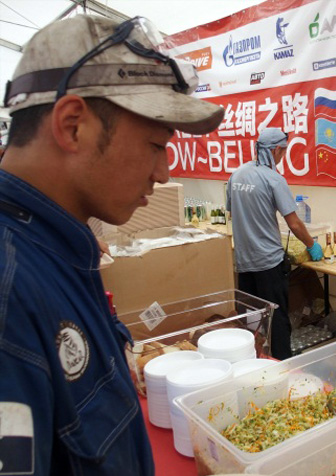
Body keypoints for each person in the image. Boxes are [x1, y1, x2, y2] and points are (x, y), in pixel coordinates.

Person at [0, 15, 224, 475]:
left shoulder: (59, 251)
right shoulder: (10, 295)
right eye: (155, 145)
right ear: (73, 126)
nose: (163, 173)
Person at [227, 128, 323, 359]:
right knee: (277, 322)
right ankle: (282, 366)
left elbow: (232, 214)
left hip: (244, 263)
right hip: (269, 264)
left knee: (250, 321)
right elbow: (295, 224)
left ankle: (250, 362)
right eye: (283, 152)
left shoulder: (236, 175)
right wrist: (312, 245)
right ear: (277, 149)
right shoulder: (273, 179)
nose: (282, 157)